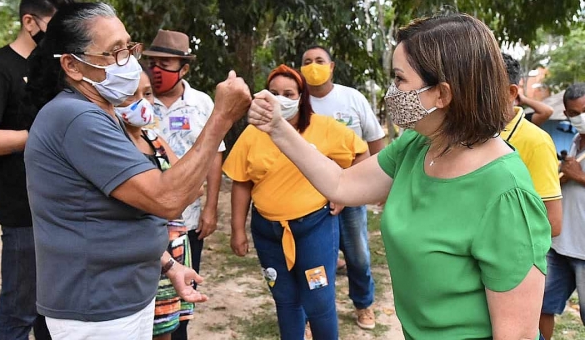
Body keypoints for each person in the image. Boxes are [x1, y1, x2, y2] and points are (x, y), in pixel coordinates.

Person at [249, 13, 551, 340]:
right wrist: (278, 128)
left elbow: (516, 334)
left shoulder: (505, 193)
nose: (392, 91)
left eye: (399, 79)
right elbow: (341, 184)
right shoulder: (418, 144)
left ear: (442, 94)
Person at [23, 2, 250, 339]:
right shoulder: (78, 118)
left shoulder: (103, 113)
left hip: (121, 297)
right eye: (114, 52)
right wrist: (221, 118)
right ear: (72, 65)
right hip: (98, 309)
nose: (128, 61)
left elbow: (119, 211)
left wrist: (168, 265)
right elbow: (168, 197)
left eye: (128, 47)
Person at [223, 64, 368, 340]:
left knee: (318, 300)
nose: (280, 99)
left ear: (302, 97)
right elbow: (241, 182)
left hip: (314, 228)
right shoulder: (254, 133)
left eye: (288, 93)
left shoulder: (325, 128)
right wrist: (237, 229)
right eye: (274, 92)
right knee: (286, 299)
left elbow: (361, 155)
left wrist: (343, 196)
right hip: (268, 232)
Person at [0, 1, 67, 339]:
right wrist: (39, 134)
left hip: (63, 210)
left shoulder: (58, 68)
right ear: (30, 21)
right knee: (19, 310)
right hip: (23, 211)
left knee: (54, 313)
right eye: (54, 24)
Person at [142, 30, 224, 339]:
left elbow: (214, 157)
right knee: (146, 301)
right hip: (144, 218)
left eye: (166, 62)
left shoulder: (201, 103)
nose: (157, 69)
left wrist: (211, 209)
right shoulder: (136, 100)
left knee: (180, 298)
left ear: (184, 68)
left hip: (185, 222)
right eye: (152, 62)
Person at [300, 45, 385, 329]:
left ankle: (364, 304)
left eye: (319, 61)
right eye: (307, 61)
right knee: (313, 260)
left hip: (351, 191)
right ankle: (314, 315)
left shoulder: (351, 98)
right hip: (306, 197)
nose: (313, 65)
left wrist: (374, 184)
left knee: (357, 255)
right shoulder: (297, 102)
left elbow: (374, 141)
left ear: (332, 66)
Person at [115, 70, 200, 339]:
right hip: (137, 256)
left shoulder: (155, 140)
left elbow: (189, 187)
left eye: (147, 93)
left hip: (172, 251)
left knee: (165, 327)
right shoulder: (114, 143)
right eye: (131, 96)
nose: (143, 102)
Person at [539, 83, 585, 340]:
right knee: (543, 305)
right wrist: (562, 177)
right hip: (559, 246)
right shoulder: (576, 142)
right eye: (575, 113)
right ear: (566, 115)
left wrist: (579, 177)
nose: (581, 117)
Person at [501, 53, 562, 237]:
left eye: (484, 87)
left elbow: (552, 223)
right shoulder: (466, 134)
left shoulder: (537, 142)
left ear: (512, 93)